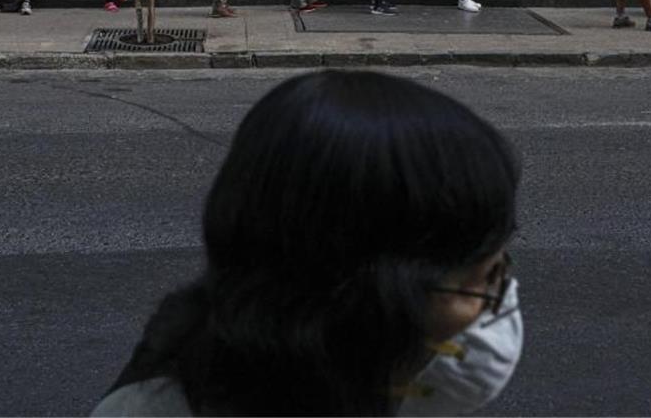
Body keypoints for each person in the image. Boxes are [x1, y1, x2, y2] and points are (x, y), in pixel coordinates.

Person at [91, 70, 523, 417]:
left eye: (499, 272)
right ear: (363, 291)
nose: (497, 308)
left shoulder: (372, 372)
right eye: (483, 280)